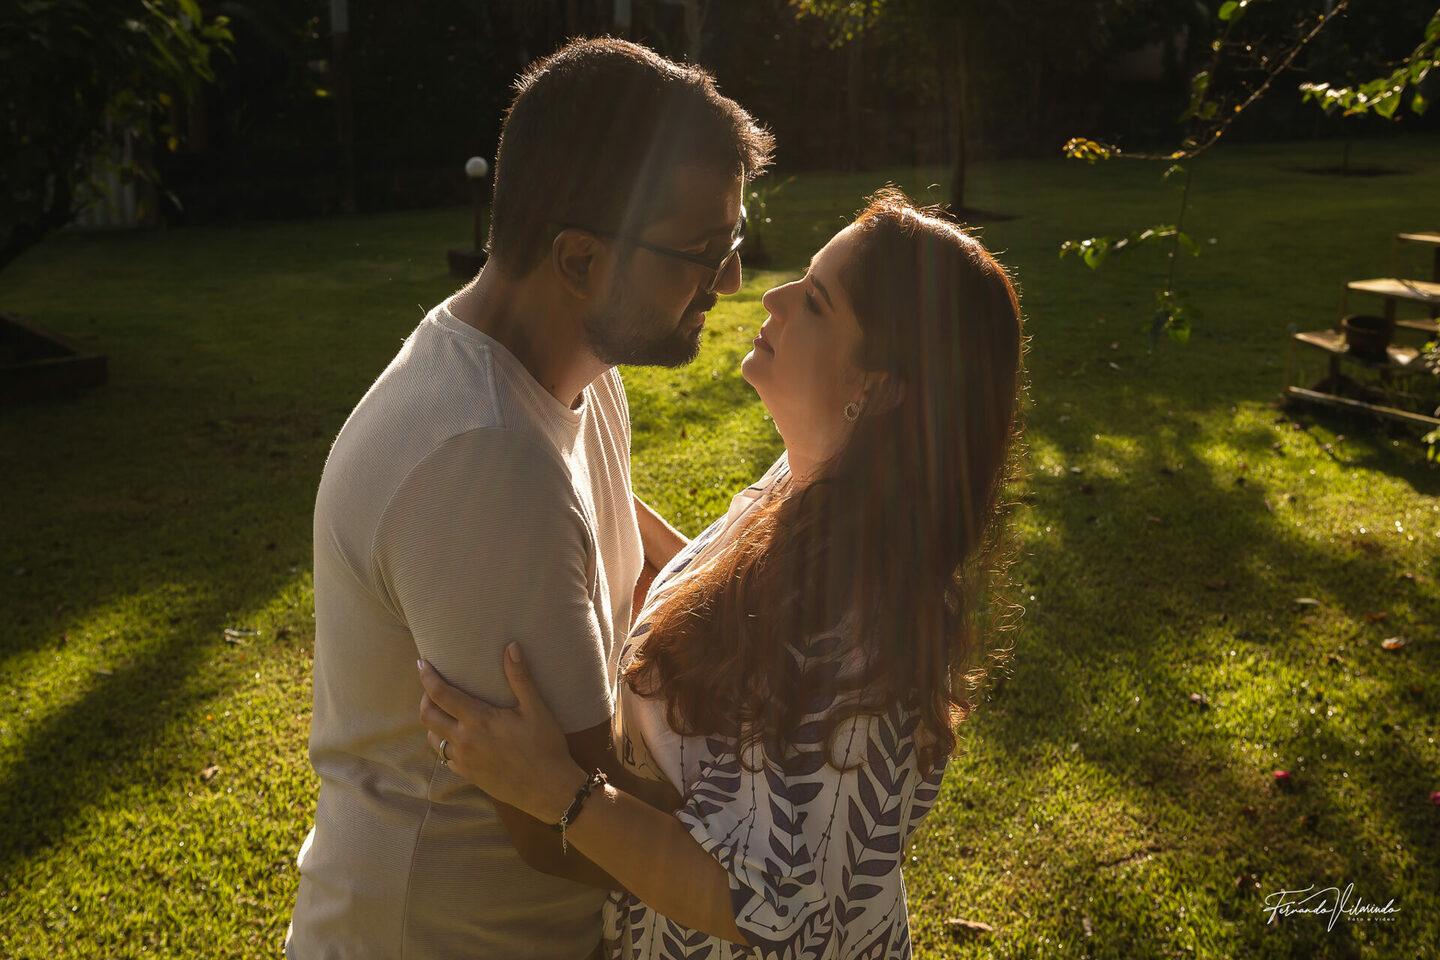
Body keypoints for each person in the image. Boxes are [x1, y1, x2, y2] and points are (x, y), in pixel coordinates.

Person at [417, 187, 1025, 959]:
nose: (772, 295)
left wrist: (556, 791)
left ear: (876, 389)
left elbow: (762, 899)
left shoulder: (870, 627)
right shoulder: (817, 486)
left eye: (817, 303)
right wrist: (542, 471)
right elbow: (720, 592)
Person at [287, 37, 772, 960]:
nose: (734, 281)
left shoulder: (572, 376)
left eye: (733, 243)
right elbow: (565, 813)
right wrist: (784, 844)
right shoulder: (483, 454)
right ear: (582, 260)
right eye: (703, 253)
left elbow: (666, 578)